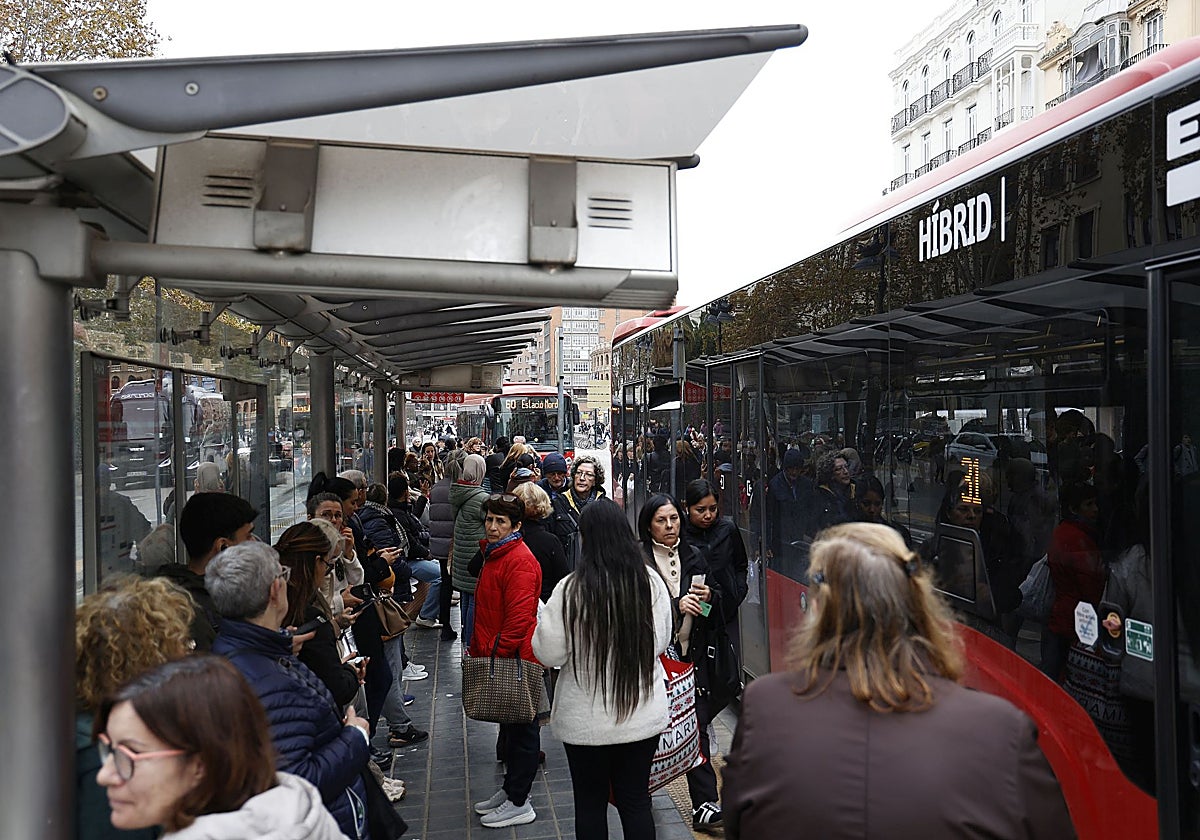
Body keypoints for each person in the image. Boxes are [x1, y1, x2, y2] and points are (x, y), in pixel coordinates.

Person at [721, 523, 1074, 839]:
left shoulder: (764, 706)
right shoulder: (1001, 728)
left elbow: (740, 820)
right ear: (919, 604)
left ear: (819, 609)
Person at [207, 542, 372, 839]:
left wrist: (278, 646)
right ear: (275, 590)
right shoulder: (269, 685)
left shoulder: (236, 652)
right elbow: (297, 784)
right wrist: (355, 737)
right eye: (283, 574)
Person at [533, 498, 673, 840]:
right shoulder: (650, 583)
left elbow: (549, 653)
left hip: (585, 723)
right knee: (635, 801)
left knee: (590, 804)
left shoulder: (570, 590)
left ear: (586, 539)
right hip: (640, 717)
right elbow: (660, 642)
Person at [94, 655, 348, 839]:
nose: (104, 775)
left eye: (127, 755)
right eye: (109, 750)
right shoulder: (299, 812)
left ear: (200, 765)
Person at [76, 577, 195, 840]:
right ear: (153, 659)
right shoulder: (106, 757)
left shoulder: (84, 724)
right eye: (180, 646)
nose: (185, 657)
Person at [639, 493, 723, 833]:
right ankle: (641, 794)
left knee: (695, 726)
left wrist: (708, 600)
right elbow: (635, 611)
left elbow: (712, 610)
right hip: (652, 661)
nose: (670, 526)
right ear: (648, 526)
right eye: (661, 520)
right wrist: (676, 606)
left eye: (674, 518)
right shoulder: (639, 560)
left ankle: (705, 803)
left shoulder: (694, 556)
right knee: (650, 731)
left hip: (691, 658)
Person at [467, 493, 543, 829]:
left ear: (516, 526)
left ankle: (520, 801)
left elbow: (518, 620)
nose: (493, 527)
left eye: (501, 521)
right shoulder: (495, 554)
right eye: (490, 520)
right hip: (501, 653)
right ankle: (511, 790)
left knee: (523, 729)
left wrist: (494, 652)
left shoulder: (519, 560)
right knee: (512, 728)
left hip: (514, 659)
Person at [159, 491, 258, 651]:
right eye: (248, 536)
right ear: (223, 547)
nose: (254, 544)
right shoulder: (194, 615)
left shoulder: (214, 594)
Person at [1042, 482, 1105, 681]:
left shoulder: (1063, 531)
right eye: (1089, 504)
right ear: (1074, 508)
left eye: (1095, 503)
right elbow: (1090, 585)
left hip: (1061, 613)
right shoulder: (1079, 539)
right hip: (1077, 618)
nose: (1095, 510)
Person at [682, 479, 749, 652]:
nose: (708, 515)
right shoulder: (680, 536)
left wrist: (737, 593)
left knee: (728, 660)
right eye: (700, 510)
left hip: (727, 614)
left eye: (713, 509)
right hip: (693, 617)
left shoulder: (728, 529)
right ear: (687, 507)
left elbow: (741, 565)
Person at [451, 453, 490, 647]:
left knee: (466, 598)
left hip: (461, 554)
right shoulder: (481, 498)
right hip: (475, 556)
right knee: (474, 600)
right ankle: (469, 643)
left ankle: (465, 638)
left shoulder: (459, 492)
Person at [427, 450, 463, 641]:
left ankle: (445, 624)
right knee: (464, 584)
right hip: (459, 544)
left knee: (445, 584)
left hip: (440, 545)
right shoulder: (461, 488)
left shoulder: (436, 487)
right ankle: (464, 626)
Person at [512, 482, 569, 601]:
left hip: (512, 599)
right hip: (544, 601)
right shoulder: (550, 541)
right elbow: (563, 579)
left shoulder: (507, 536)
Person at [764, 448, 814, 573]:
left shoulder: (806, 485)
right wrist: (767, 543)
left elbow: (810, 511)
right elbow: (769, 516)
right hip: (781, 543)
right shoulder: (775, 485)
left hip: (801, 541)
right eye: (791, 469)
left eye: (797, 469)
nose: (794, 472)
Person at [855, 475, 911, 547]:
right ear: (857, 502)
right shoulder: (848, 533)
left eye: (877, 504)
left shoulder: (898, 534)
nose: (872, 509)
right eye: (866, 504)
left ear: (882, 503)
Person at [812, 451, 856, 532]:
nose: (846, 471)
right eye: (839, 469)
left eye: (846, 467)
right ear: (830, 474)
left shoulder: (857, 490)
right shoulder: (820, 496)